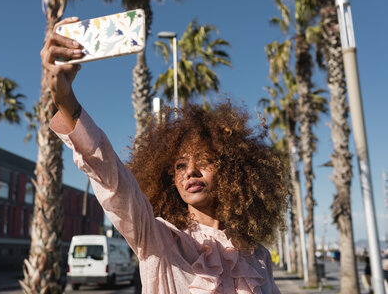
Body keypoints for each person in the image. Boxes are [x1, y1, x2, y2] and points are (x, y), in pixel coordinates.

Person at [42, 17, 288, 293]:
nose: (191, 172)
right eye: (180, 165)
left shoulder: (257, 255)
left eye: (204, 160)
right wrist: (66, 101)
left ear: (232, 171)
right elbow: (116, 185)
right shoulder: (157, 238)